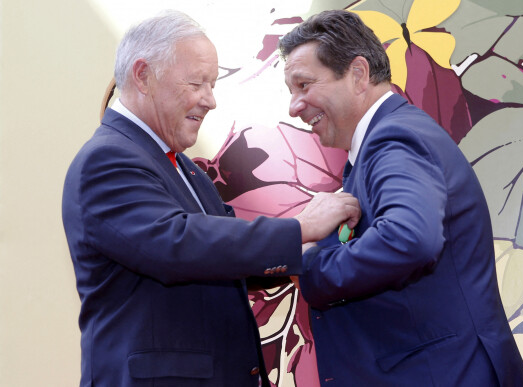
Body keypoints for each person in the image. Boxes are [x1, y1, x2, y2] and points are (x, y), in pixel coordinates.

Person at [61, 10, 360, 387]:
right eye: (197, 83)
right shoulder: (106, 159)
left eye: (213, 84)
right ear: (143, 75)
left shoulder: (180, 166)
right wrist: (298, 228)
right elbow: (178, 244)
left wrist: (313, 252)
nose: (210, 100)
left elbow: (219, 254)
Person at [279, 9, 523, 387]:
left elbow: (409, 238)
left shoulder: (393, 138)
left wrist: (313, 265)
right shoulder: (382, 143)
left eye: (304, 85)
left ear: (358, 74)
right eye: (291, 91)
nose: (294, 106)